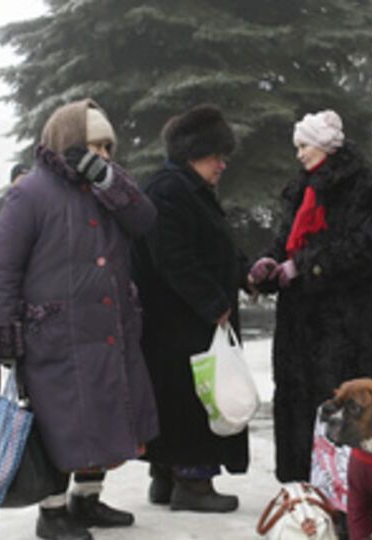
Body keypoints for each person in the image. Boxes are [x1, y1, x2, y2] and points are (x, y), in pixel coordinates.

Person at [0, 99, 159, 540]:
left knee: (103, 416)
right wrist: (3, 334)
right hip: (53, 334)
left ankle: (88, 498)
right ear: (68, 142)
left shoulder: (109, 187)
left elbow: (145, 219)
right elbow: (3, 269)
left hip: (107, 329)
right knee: (59, 423)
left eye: (108, 147)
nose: (103, 155)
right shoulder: (31, 193)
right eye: (94, 146)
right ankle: (53, 510)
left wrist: (108, 180)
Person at [249, 109, 372, 483]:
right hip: (302, 323)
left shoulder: (366, 185)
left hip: (352, 321)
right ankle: (304, 484)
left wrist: (303, 265)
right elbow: (286, 240)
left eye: (304, 145)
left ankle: (353, 492)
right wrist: (269, 265)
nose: (299, 154)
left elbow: (365, 248)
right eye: (297, 147)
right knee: (300, 404)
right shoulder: (300, 188)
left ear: (324, 145)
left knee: (348, 412)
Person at [131, 104, 248, 513]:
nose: (222, 164)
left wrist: (245, 272)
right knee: (194, 400)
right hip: (181, 323)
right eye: (215, 155)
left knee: (179, 399)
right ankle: (193, 484)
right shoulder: (170, 191)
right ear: (192, 153)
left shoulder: (185, 189)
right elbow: (175, 257)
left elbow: (211, 249)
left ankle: (166, 477)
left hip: (180, 323)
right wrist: (213, 303)